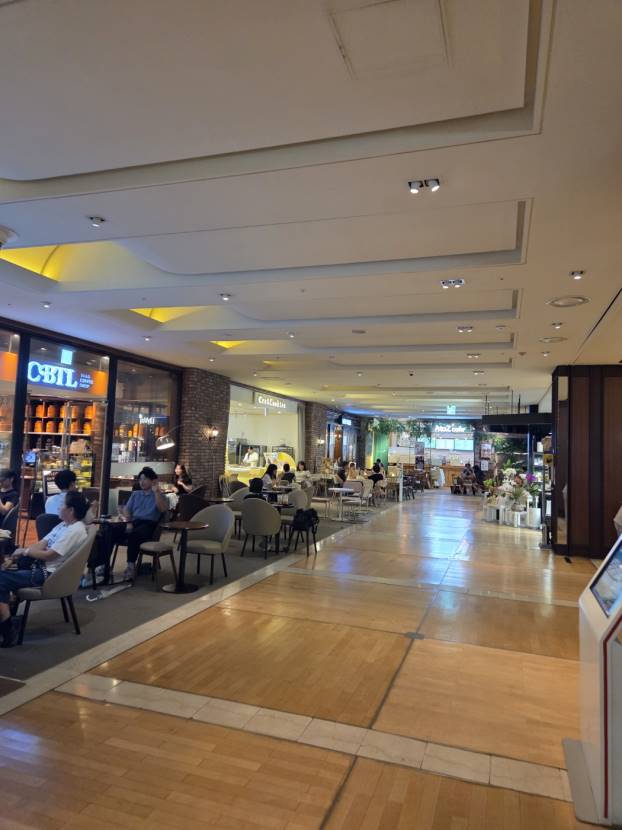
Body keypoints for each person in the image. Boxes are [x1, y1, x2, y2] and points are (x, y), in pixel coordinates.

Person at [0, 491, 89, 648]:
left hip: (50, 574)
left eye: (62, 505)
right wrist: (17, 556)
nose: (59, 507)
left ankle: (8, 630)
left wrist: (24, 552)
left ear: (71, 510)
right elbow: (40, 545)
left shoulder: (75, 530)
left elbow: (49, 555)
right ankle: (9, 620)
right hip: (39, 566)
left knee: (1, 579)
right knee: (4, 574)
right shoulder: (63, 525)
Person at [119, 467, 168, 581]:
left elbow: (162, 510)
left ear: (153, 481)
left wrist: (156, 492)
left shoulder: (160, 496)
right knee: (108, 530)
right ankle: (101, 567)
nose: (141, 482)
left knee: (134, 535)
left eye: (145, 479)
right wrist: (129, 522)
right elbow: (126, 509)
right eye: (140, 479)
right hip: (133, 522)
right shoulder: (136, 494)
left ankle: (130, 567)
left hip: (148, 525)